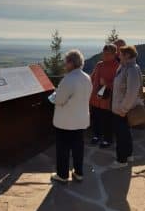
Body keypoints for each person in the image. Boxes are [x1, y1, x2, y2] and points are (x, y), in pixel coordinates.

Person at [51, 49, 92, 183]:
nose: (64, 65)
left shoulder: (68, 79)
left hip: (66, 122)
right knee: (78, 148)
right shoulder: (86, 77)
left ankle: (62, 175)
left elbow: (59, 100)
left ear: (70, 63)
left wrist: (55, 95)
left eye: (66, 62)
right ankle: (78, 172)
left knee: (63, 149)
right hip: (81, 120)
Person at [112, 46, 144, 168]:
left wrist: (123, 109)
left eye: (121, 54)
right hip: (122, 109)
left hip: (124, 110)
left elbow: (132, 92)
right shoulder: (124, 67)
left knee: (121, 136)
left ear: (127, 55)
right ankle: (129, 155)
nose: (118, 55)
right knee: (125, 133)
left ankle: (121, 160)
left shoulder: (132, 69)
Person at [90, 44, 119, 148]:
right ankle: (97, 135)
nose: (105, 56)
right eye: (104, 53)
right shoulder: (99, 64)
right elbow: (92, 77)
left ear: (114, 54)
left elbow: (119, 84)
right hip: (95, 97)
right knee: (96, 118)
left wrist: (107, 83)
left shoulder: (117, 66)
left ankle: (108, 139)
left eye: (107, 54)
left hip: (107, 99)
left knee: (107, 120)